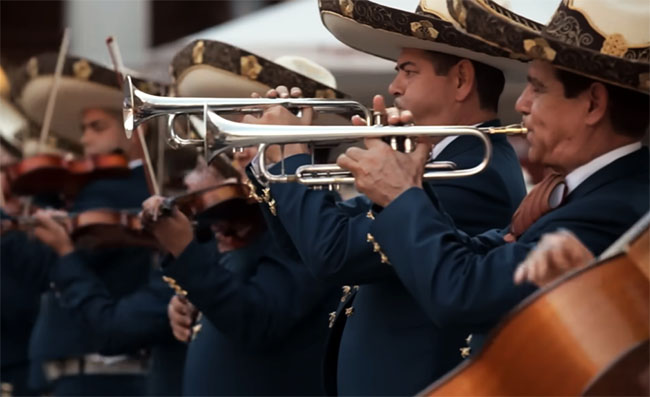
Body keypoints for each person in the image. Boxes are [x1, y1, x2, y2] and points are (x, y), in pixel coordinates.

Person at [335, 0, 649, 363]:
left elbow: (465, 291)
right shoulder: (595, 192)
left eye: (538, 88)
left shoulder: (615, 206)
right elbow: (474, 253)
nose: (522, 103)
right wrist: (410, 183)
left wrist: (402, 194)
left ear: (593, 105)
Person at [243, 0, 530, 394]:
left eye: (408, 72)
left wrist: (293, 151)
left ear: (462, 79)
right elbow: (305, 250)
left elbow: (334, 254)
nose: (394, 86)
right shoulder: (437, 159)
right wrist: (272, 162)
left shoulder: (477, 172)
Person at [147, 40, 343, 396]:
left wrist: (185, 253)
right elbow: (230, 296)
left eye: (258, 125)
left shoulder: (310, 214)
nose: (236, 147)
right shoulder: (241, 214)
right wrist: (191, 301)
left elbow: (259, 320)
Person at [11, 53, 185, 396]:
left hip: (98, 374)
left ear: (138, 128)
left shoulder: (120, 192)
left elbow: (43, 264)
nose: (86, 139)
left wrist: (20, 221)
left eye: (97, 127)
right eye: (83, 129)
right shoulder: (96, 189)